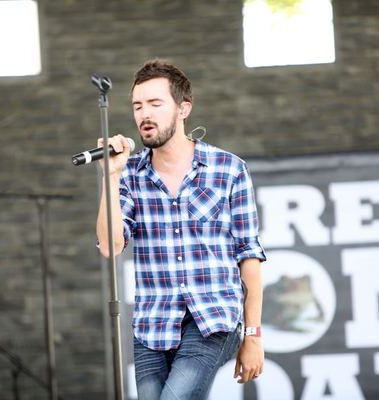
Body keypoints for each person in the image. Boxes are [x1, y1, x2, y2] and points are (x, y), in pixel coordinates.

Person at [96, 59, 266, 399]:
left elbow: (249, 255)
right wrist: (111, 177)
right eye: (137, 106)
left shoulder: (228, 169)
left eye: (155, 104)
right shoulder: (129, 175)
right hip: (152, 327)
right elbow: (110, 246)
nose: (145, 114)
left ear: (183, 109)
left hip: (212, 320)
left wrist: (253, 335)